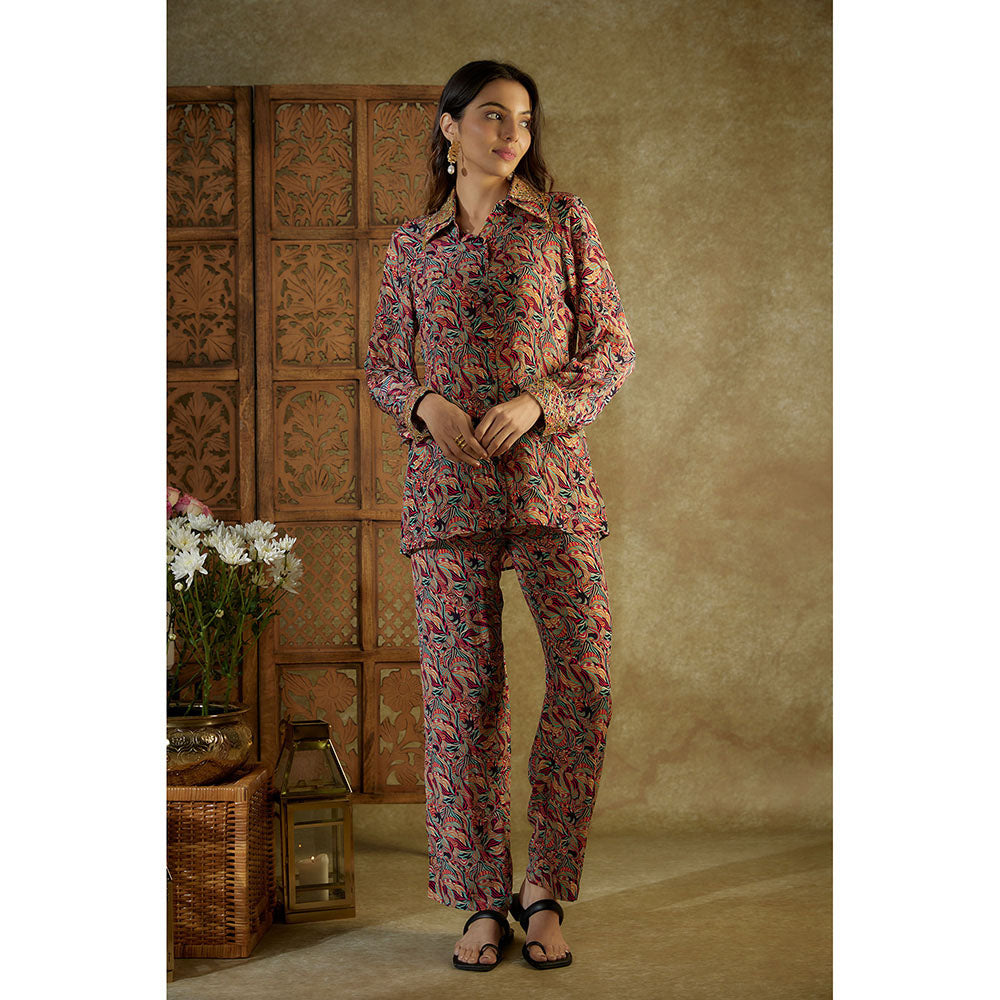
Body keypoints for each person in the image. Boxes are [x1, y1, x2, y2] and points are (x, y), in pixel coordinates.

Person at [364, 59, 635, 972]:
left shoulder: (564, 224)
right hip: (448, 495)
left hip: (552, 488)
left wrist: (538, 404)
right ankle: (481, 900)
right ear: (449, 127)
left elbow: (612, 350)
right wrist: (423, 405)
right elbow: (381, 365)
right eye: (490, 115)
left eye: (522, 118)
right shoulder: (413, 246)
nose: (511, 133)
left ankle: (543, 888)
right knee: (463, 700)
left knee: (586, 682)